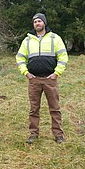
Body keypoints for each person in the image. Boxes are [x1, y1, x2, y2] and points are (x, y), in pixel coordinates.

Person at [16, 13, 68, 144]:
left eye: (39, 21)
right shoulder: (27, 41)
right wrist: (26, 73)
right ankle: (33, 134)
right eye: (35, 22)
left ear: (44, 23)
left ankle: (58, 135)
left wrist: (56, 73)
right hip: (34, 80)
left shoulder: (54, 38)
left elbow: (63, 57)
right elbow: (20, 58)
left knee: (55, 108)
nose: (37, 23)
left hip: (50, 79)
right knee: (34, 109)